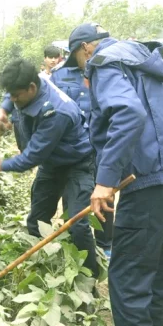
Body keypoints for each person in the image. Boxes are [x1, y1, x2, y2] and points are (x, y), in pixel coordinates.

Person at [65, 23, 163, 326]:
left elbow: (128, 113)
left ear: (87, 48)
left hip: (146, 178)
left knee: (126, 283)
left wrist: (104, 181)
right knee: (152, 280)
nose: (81, 69)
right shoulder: (142, 56)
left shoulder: (104, 62)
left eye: (77, 60)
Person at [0, 59, 99, 278]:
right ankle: (42, 267)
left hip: (78, 163)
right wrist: (4, 110)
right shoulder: (32, 84)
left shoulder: (56, 112)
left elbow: (31, 158)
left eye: (16, 96)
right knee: (36, 220)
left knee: (76, 222)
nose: (13, 99)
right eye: (11, 95)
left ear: (31, 88)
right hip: (53, 163)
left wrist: (0, 164)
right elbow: (12, 95)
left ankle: (89, 277)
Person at [50, 53, 114, 258]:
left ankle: (105, 245)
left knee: (104, 192)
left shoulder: (105, 69)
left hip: (101, 144)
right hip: (75, 149)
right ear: (82, 47)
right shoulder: (59, 76)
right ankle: (76, 245)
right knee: (73, 195)